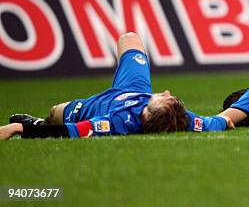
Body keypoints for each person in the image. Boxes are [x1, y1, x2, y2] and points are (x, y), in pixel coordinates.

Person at [0, 32, 231, 140]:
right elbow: (214, 122)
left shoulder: (114, 122)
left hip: (94, 107)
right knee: (130, 38)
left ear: (146, 113)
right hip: (135, 88)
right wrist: (225, 120)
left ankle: (37, 121)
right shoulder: (182, 118)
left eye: (164, 97)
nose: (167, 92)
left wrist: (20, 129)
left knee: (55, 113)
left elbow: (69, 132)